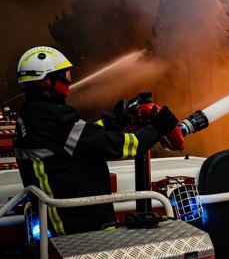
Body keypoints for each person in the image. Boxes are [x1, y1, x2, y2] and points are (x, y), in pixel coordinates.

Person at [13, 46, 178, 236]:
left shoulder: (35, 113)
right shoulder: (52, 117)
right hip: (78, 224)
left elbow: (82, 138)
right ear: (48, 81)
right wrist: (157, 129)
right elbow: (120, 147)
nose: (68, 81)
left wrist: (113, 123)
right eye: (64, 76)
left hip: (75, 216)